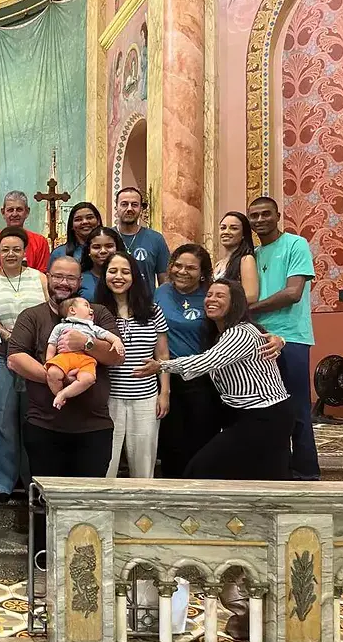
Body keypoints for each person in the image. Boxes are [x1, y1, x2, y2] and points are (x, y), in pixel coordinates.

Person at [7, 256, 123, 557]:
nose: (64, 284)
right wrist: (54, 376)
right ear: (47, 278)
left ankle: (86, 563)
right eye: (58, 277)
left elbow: (115, 356)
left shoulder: (98, 313)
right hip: (44, 424)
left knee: (89, 499)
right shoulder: (32, 316)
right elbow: (15, 357)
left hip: (94, 426)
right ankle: (44, 559)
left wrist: (84, 344)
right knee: (45, 498)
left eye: (71, 279)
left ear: (80, 282)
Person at [135, 279, 294, 480]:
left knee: (203, 468)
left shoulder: (240, 332)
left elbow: (208, 361)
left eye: (220, 296)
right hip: (244, 415)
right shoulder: (218, 333)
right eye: (209, 295)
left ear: (234, 303)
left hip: (265, 416)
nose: (211, 300)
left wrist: (161, 365)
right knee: (258, 476)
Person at [0, 227, 47, 503]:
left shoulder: (39, 278)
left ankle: (32, 481)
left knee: (33, 420)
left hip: (34, 361)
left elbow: (49, 312)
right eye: (5, 249)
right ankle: (2, 483)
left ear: (25, 251)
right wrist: (7, 334)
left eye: (16, 249)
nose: (11, 254)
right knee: (2, 420)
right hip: (3, 358)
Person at [248, 195, 317, 480]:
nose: (260, 220)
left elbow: (293, 293)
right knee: (269, 409)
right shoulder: (251, 254)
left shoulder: (295, 244)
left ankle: (306, 471)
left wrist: (249, 309)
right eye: (254, 216)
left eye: (266, 214)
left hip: (292, 337)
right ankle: (279, 470)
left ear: (278, 216)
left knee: (297, 407)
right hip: (258, 338)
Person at [94, 252, 169, 477]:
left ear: (134, 276)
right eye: (113, 271)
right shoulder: (96, 312)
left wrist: (164, 392)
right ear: (104, 275)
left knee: (144, 465)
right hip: (108, 397)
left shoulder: (152, 310)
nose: (119, 277)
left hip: (145, 396)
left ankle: (143, 511)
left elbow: (163, 354)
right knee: (107, 463)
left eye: (125, 272)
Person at [153, 244, 220, 478]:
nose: (183, 271)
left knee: (201, 437)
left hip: (201, 378)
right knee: (171, 440)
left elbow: (234, 324)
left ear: (202, 272)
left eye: (191, 268)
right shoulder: (160, 292)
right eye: (178, 265)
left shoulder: (212, 294)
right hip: (166, 376)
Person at [44, 297, 124, 409]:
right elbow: (52, 344)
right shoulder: (60, 327)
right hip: (64, 357)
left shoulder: (93, 327)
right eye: (86, 306)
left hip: (86, 359)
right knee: (52, 373)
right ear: (72, 310)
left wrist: (117, 341)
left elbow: (107, 335)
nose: (92, 310)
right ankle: (59, 394)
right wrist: (49, 360)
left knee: (89, 379)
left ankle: (64, 394)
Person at [113, 186, 170, 289]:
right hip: (111, 302)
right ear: (116, 207)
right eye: (124, 204)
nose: (129, 209)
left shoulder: (156, 239)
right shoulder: (107, 237)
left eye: (134, 205)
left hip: (146, 303)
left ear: (141, 209)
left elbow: (165, 279)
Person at [0, 191, 50, 273]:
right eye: (10, 210)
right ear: (3, 212)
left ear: (27, 212)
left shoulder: (40, 242)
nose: (15, 214)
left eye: (19, 210)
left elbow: (42, 274)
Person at [213, 211, 259, 304]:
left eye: (233, 228)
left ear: (243, 234)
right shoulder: (218, 263)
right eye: (223, 228)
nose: (226, 232)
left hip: (235, 315)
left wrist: (223, 304)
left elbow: (250, 296)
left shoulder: (246, 259)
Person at [78, 226, 122, 300]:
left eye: (109, 246)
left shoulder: (127, 277)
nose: (103, 251)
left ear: (117, 248)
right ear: (89, 251)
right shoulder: (80, 279)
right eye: (96, 247)